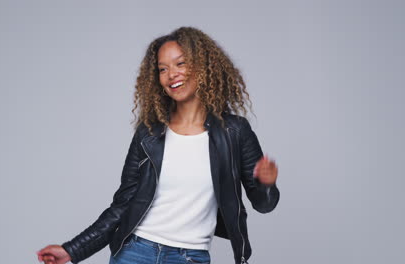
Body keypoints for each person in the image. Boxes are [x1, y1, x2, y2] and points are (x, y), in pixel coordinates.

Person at [37, 26, 280, 264]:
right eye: (162, 69)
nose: (171, 74)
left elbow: (264, 204)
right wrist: (72, 250)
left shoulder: (234, 132)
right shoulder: (149, 133)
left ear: (204, 66)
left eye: (181, 63)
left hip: (190, 257)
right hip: (133, 253)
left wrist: (266, 184)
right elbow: (122, 206)